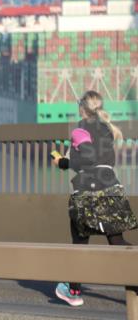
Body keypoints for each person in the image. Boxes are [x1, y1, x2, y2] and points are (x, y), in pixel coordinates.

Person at [52, 91, 136, 307]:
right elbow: (104, 159)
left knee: (80, 241)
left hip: (89, 193)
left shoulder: (80, 129)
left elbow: (86, 158)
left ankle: (73, 291)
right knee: (116, 240)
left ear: (82, 108)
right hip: (110, 187)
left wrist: (63, 162)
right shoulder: (107, 129)